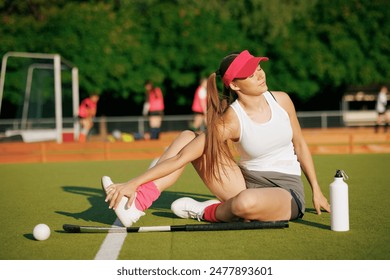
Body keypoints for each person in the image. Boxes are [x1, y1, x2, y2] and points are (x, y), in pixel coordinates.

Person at [102, 50, 330, 227]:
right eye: (250, 74)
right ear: (234, 85)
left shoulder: (282, 101)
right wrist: (133, 183)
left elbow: (299, 144)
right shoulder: (230, 120)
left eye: (259, 68)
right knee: (187, 137)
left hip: (286, 190)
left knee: (245, 203)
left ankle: (206, 211)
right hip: (243, 182)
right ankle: (137, 203)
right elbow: (181, 158)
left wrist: (316, 190)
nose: (260, 74)